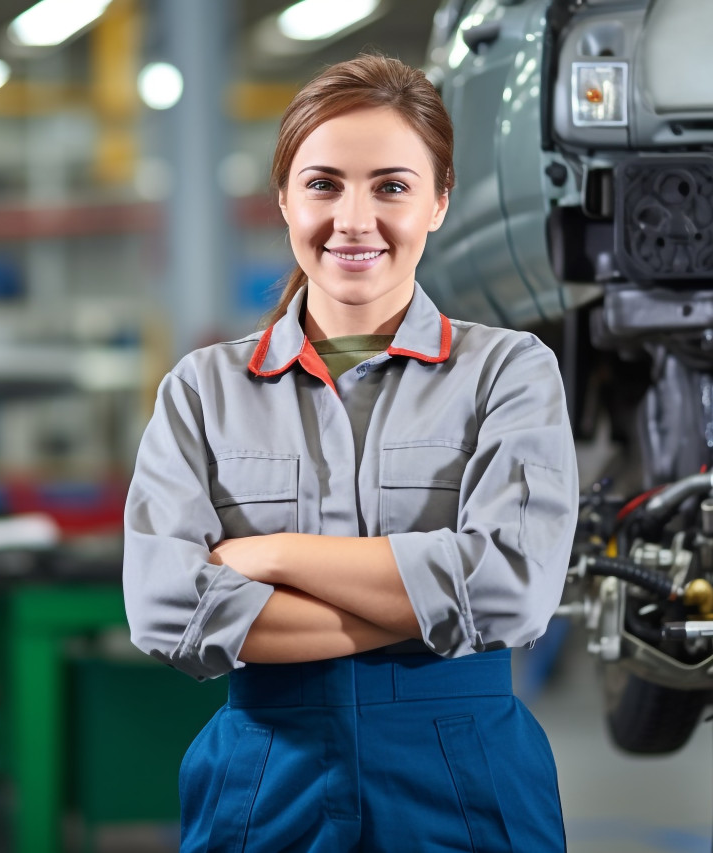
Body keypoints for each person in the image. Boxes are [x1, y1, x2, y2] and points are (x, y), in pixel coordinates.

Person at [123, 53, 578, 853]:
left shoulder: (508, 371)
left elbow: (512, 589)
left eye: (392, 186)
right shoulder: (202, 388)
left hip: (464, 777)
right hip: (266, 778)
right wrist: (430, 609)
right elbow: (165, 607)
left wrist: (270, 554)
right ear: (284, 200)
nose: (355, 219)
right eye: (324, 183)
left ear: (439, 200)